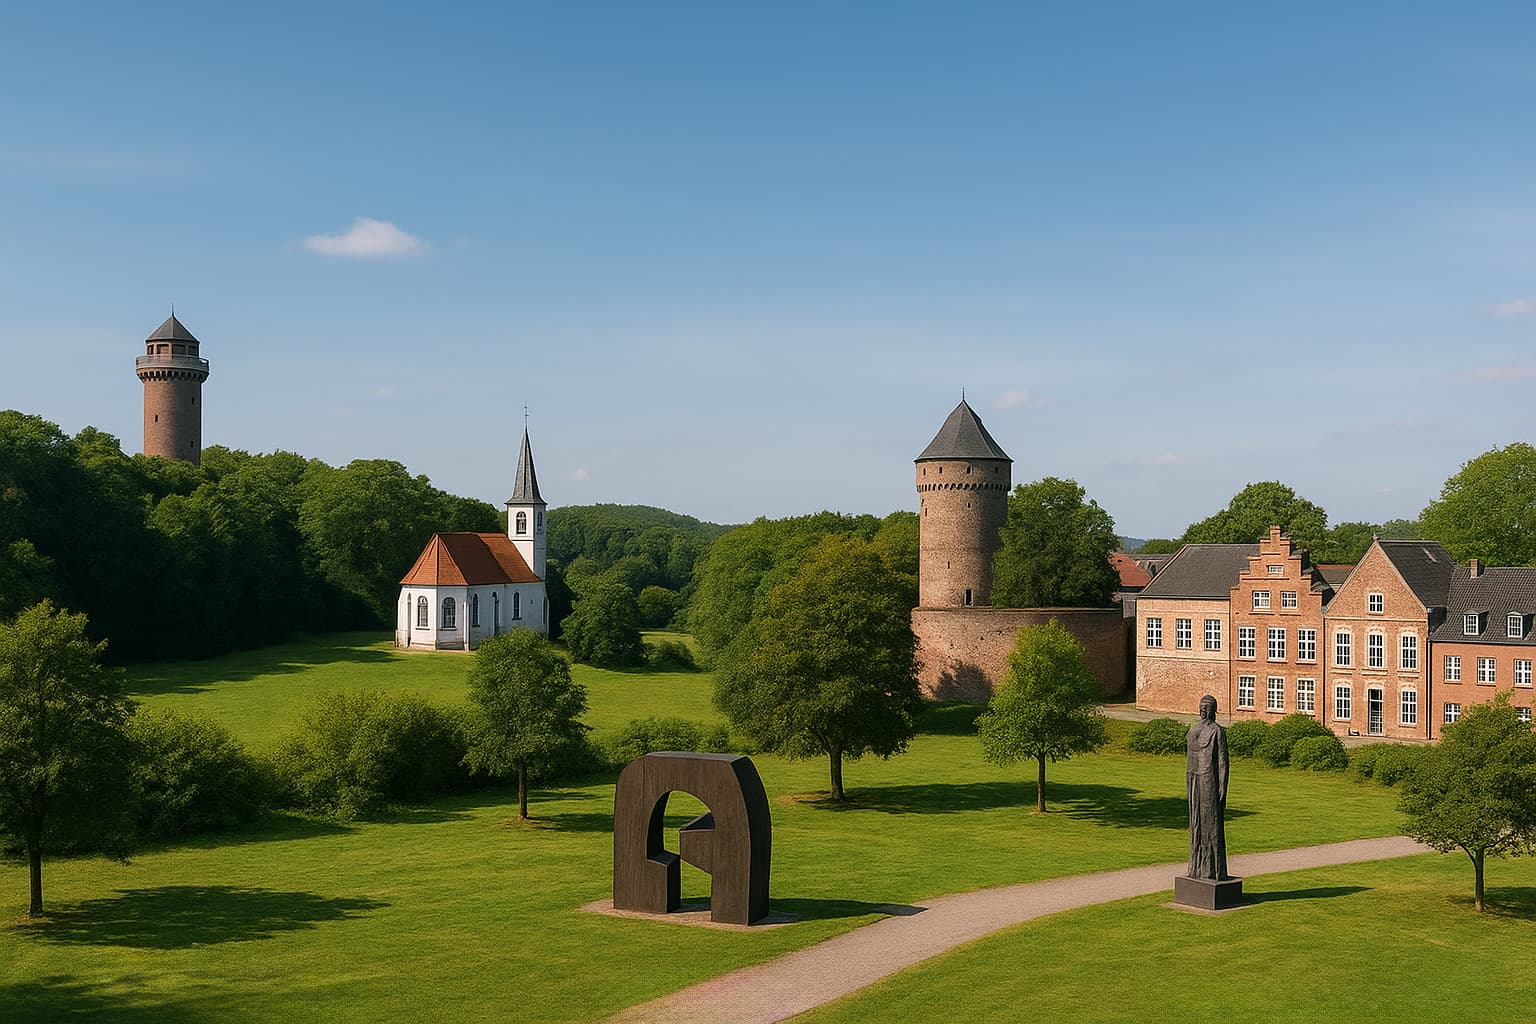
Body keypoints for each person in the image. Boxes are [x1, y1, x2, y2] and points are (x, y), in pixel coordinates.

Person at [1186, 694, 1229, 880]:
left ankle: (1212, 869)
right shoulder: (1194, 730)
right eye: (1201, 706)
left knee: (1211, 823)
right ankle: (1196, 867)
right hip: (1193, 777)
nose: (1203, 710)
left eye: (1207, 707)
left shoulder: (1217, 731)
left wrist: (1222, 786)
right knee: (1196, 822)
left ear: (1213, 710)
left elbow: (1222, 761)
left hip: (1208, 779)